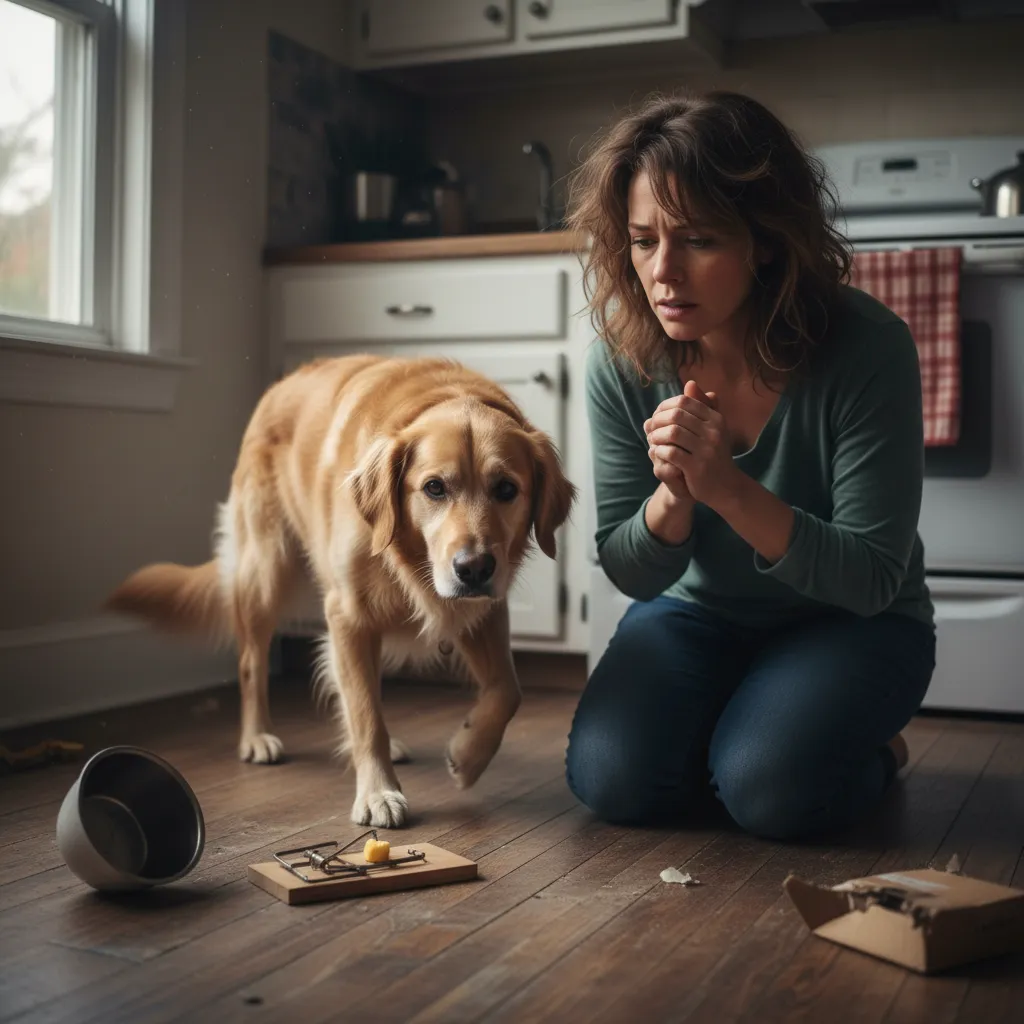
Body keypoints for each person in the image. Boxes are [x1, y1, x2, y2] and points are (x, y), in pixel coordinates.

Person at [563, 91, 936, 841]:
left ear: (764, 239)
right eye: (642, 241)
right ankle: (746, 729)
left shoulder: (867, 348)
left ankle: (864, 747)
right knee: (611, 781)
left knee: (770, 793)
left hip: (853, 624)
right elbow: (633, 573)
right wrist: (673, 497)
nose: (663, 273)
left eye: (698, 239)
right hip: (695, 614)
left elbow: (869, 577)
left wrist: (726, 487)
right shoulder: (624, 361)